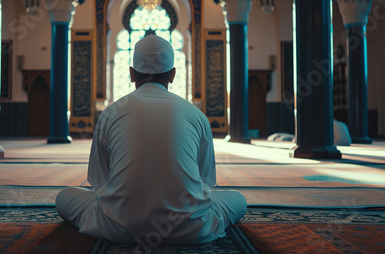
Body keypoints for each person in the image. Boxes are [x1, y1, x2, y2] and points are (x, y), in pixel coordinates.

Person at [55, 35, 247, 246]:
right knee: (238, 199)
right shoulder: (197, 115)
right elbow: (205, 182)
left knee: (64, 197)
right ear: (173, 75)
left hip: (116, 226)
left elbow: (99, 182)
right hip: (191, 226)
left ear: (131, 74)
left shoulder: (110, 114)